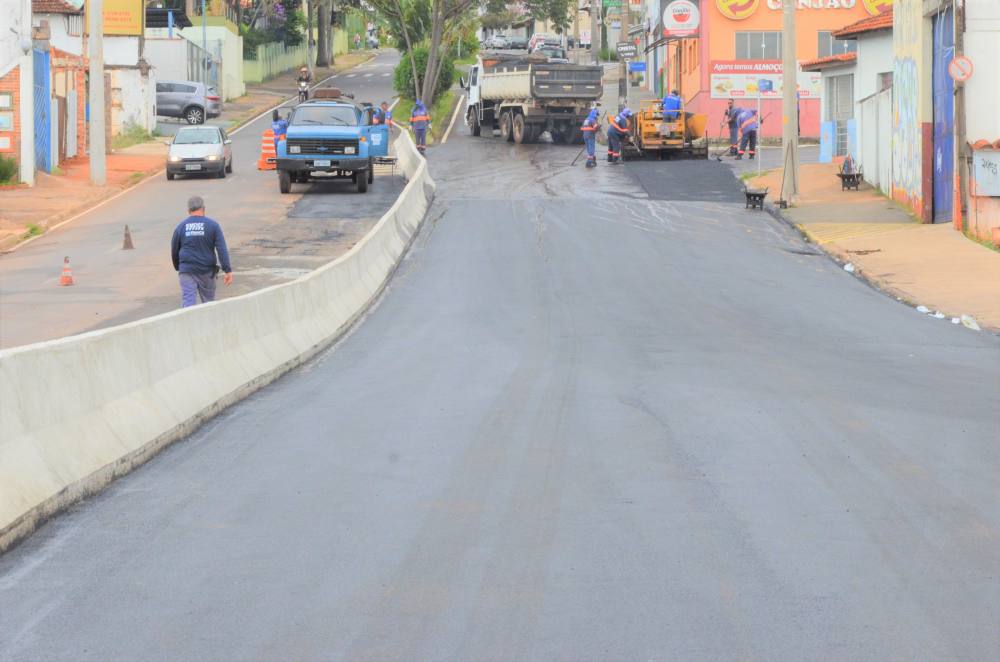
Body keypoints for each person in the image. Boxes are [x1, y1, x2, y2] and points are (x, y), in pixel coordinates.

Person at [171, 196, 232, 308]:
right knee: (209, 304)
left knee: (188, 304)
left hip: (187, 271)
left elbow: (174, 249)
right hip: (207, 272)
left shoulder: (181, 227)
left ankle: (188, 324)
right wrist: (227, 270)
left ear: (189, 211)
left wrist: (179, 267)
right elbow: (221, 249)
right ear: (203, 209)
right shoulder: (213, 225)